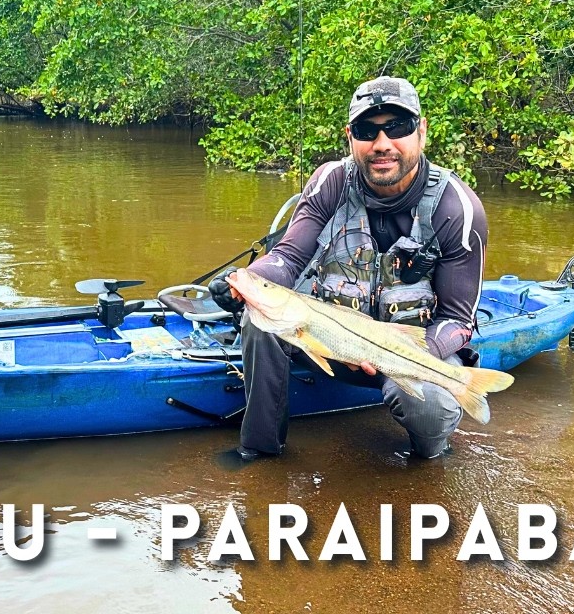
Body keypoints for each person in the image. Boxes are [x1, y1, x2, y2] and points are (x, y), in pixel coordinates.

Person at [209, 76, 488, 462]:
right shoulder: (330, 181)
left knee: (433, 407)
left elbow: (458, 319)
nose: (382, 144)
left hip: (404, 355)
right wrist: (248, 283)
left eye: (398, 127)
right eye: (366, 130)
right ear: (349, 136)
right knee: (260, 320)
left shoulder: (457, 207)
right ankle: (259, 449)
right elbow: (286, 259)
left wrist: (399, 350)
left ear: (422, 131)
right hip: (327, 341)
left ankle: (431, 455)